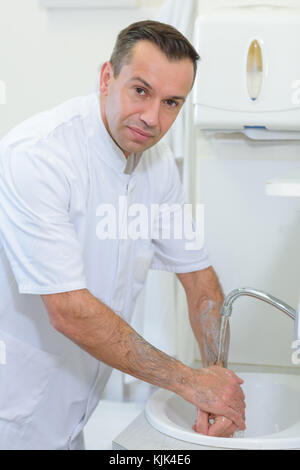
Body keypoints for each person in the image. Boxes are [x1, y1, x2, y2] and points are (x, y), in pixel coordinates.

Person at [0, 20, 245, 450]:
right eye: (140, 91)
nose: (152, 118)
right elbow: (69, 310)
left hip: (71, 419)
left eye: (171, 102)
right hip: (12, 415)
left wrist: (217, 379)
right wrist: (191, 382)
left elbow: (199, 281)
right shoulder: (38, 157)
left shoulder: (157, 162)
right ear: (106, 78)